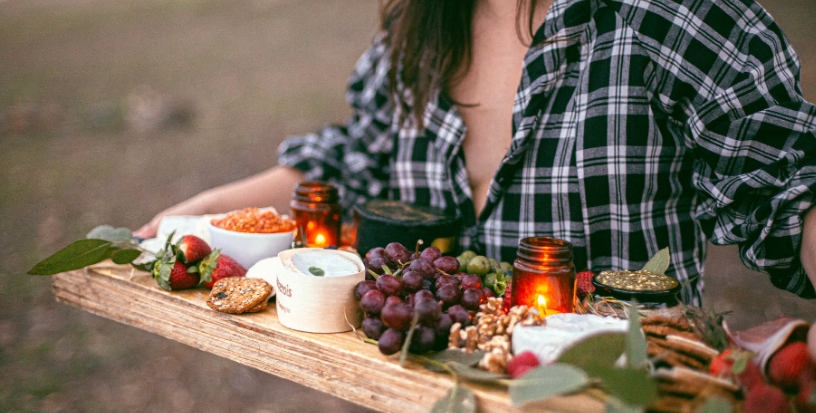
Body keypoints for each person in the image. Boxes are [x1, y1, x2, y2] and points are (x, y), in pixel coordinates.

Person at [134, 0, 816, 306]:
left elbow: (789, 186)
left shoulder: (675, 17)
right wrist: (197, 215)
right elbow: (351, 162)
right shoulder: (417, 29)